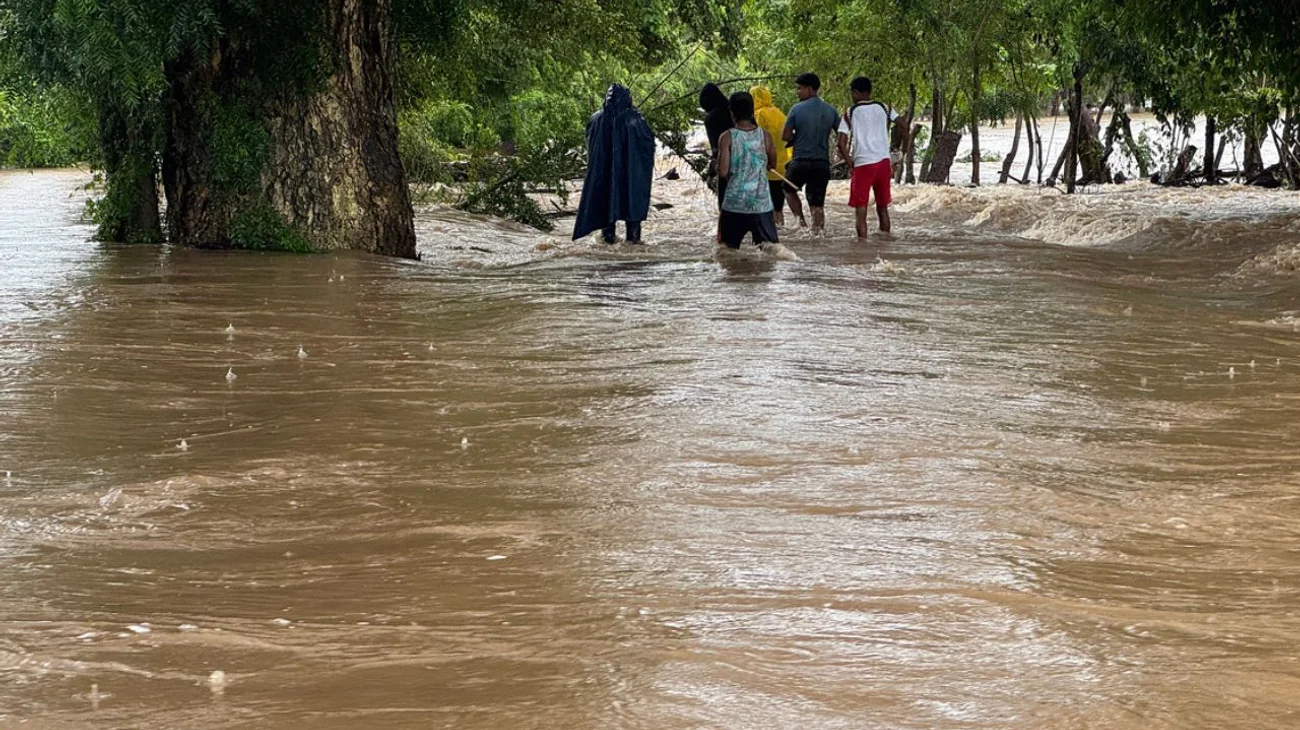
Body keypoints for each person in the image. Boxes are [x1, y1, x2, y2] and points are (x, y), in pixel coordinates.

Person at [573, 84, 655, 244]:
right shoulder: (635, 119)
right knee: (633, 213)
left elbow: (590, 144)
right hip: (631, 176)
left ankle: (608, 242)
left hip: (604, 176)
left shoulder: (596, 119)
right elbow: (648, 144)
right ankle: (634, 246)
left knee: (607, 210)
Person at [836, 76, 909, 238]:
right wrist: (900, 152)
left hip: (863, 164)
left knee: (861, 210)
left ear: (856, 93)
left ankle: (862, 248)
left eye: (851, 93)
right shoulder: (884, 107)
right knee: (882, 207)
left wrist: (850, 164)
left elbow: (841, 143)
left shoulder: (850, 112)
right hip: (883, 163)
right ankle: (885, 242)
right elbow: (904, 125)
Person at [717, 91, 779, 249]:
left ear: (732, 113)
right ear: (752, 111)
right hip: (761, 204)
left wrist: (714, 165)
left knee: (727, 252)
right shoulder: (765, 136)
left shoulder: (726, 137)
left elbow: (723, 172)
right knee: (769, 252)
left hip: (734, 204)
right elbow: (772, 164)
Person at [781, 73, 840, 233]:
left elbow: (785, 136)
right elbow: (841, 135)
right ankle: (818, 232)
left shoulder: (796, 109)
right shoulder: (831, 110)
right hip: (822, 163)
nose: (797, 92)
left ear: (809, 89)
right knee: (817, 204)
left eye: (799, 89)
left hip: (800, 161)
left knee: (788, 188)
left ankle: (801, 224)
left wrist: (796, 137)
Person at [750, 85, 792, 227]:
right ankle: (780, 228)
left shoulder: (759, 115)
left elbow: (758, 139)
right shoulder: (778, 112)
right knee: (778, 203)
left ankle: (770, 232)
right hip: (783, 162)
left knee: (766, 203)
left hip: (767, 164)